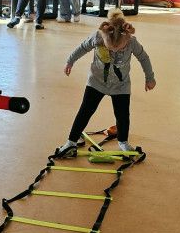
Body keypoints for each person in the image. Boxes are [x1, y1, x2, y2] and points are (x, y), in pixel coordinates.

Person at [56, 9, 156, 156]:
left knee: (122, 115)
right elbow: (82, 48)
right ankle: (71, 142)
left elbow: (143, 58)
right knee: (85, 111)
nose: (114, 51)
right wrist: (70, 61)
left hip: (121, 85)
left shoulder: (131, 41)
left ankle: (123, 142)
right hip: (96, 82)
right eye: (111, 48)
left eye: (119, 48)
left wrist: (150, 78)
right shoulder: (98, 37)